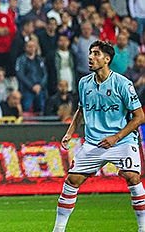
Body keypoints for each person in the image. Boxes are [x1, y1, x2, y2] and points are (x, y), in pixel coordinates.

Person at [53, 40, 145, 232]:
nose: (90, 57)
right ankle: (58, 229)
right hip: (94, 143)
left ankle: (142, 228)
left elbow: (140, 117)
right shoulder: (84, 83)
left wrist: (116, 138)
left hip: (122, 142)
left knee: (133, 178)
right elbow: (81, 109)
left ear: (107, 59)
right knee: (72, 181)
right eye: (90, 53)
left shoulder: (122, 83)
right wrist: (69, 132)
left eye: (96, 53)